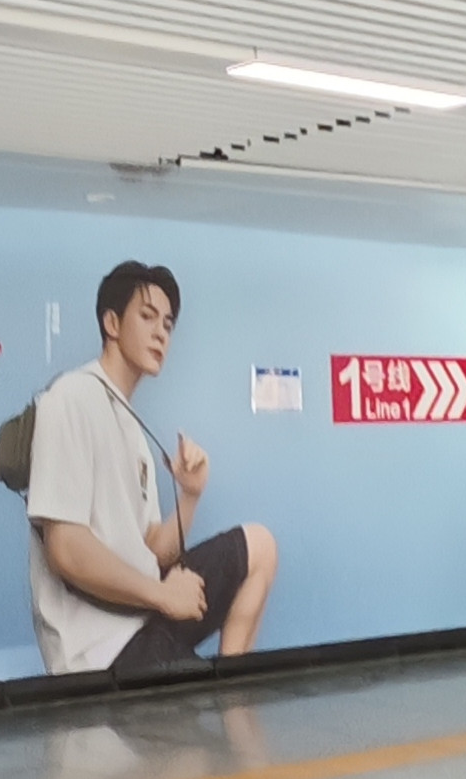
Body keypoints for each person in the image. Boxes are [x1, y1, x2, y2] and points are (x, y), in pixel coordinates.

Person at [23, 260, 278, 676]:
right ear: (112, 323)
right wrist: (162, 595)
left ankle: (233, 692)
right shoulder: (69, 398)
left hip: (146, 617)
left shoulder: (131, 425)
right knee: (205, 721)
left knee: (261, 546)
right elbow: (65, 549)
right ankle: (224, 702)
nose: (161, 332)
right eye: (147, 316)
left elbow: (155, 550)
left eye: (168, 324)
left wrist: (190, 495)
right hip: (103, 652)